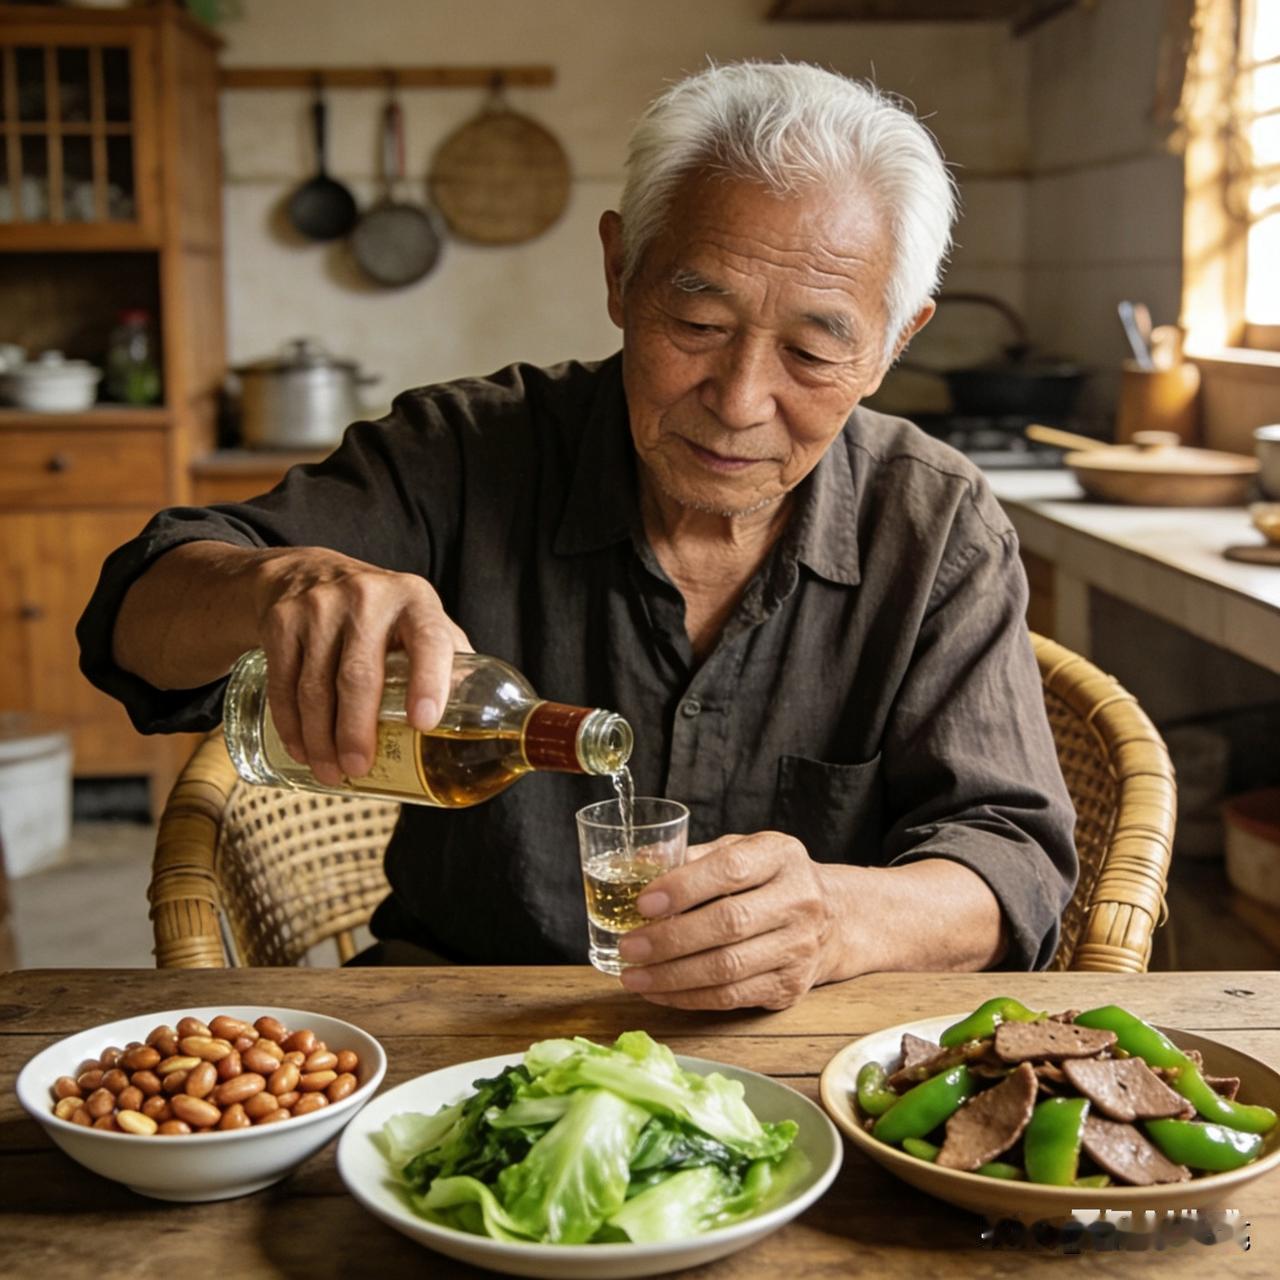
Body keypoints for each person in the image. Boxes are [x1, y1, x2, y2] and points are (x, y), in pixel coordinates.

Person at [79, 62, 1077, 1010]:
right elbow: (131, 617)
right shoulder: (460, 454)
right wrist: (276, 583)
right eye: (695, 323)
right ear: (617, 273)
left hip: (800, 1051)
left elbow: (1011, 862)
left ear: (892, 343)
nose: (736, 402)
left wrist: (838, 920)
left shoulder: (933, 521)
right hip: (458, 1022)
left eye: (814, 349)